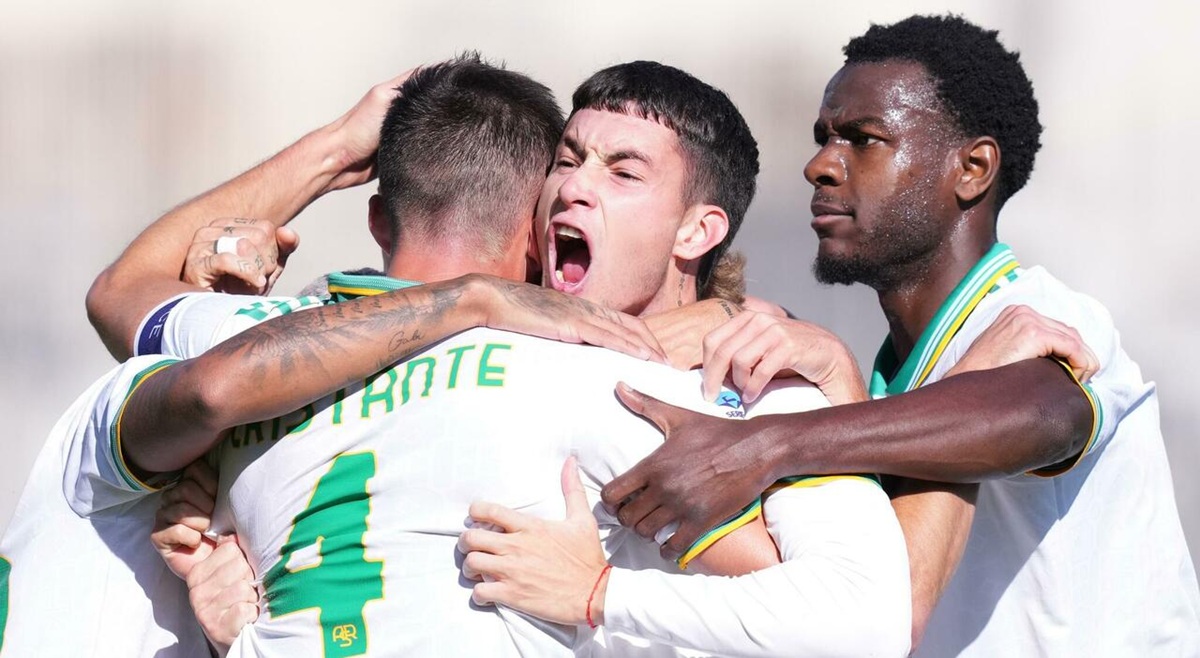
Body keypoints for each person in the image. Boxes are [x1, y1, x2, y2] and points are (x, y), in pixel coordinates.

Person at [71, 57, 913, 657]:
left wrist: (601, 595)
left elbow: (870, 622)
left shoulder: (760, 376)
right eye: (567, 162)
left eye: (623, 173)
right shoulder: (453, 355)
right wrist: (245, 628)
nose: (575, 186)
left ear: (699, 231)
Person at [548, 14, 1200, 655]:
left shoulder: (1034, 312)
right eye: (822, 138)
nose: (819, 166)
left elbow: (1041, 415)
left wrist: (765, 445)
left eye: (863, 139)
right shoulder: (892, 378)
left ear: (972, 168)